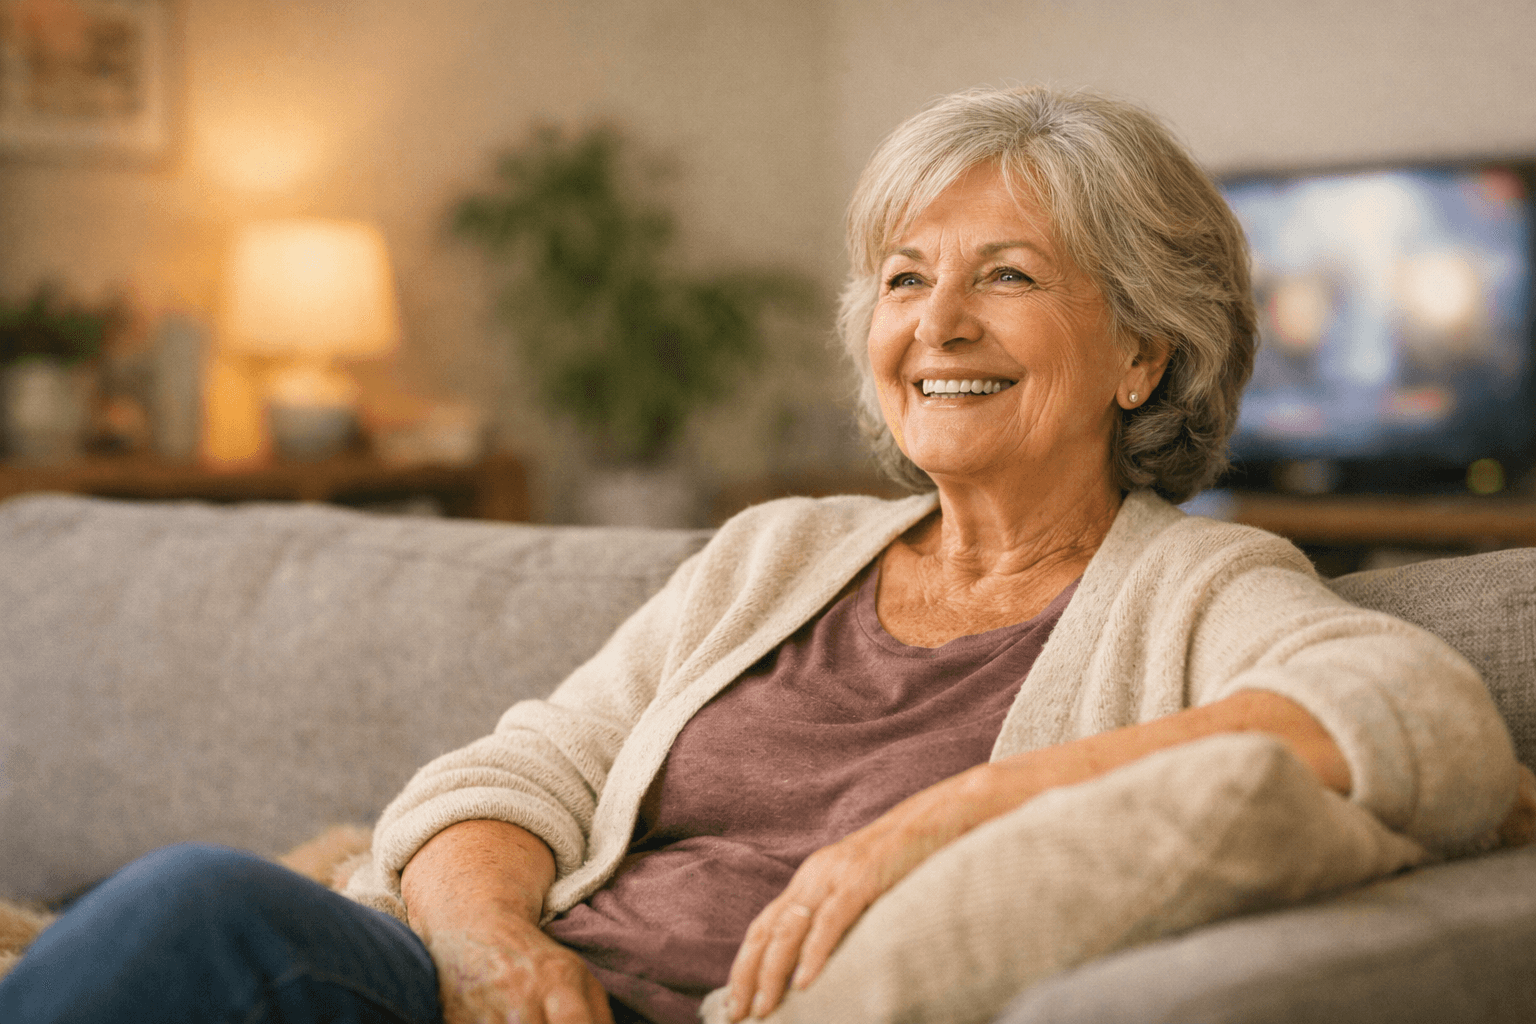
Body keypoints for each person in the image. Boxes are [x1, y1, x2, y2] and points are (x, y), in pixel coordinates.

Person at [0, 86, 1523, 1024]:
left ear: (1142, 353)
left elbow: (1432, 731)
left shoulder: (1194, 592)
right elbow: (513, 774)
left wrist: (939, 820)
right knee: (207, 910)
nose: (937, 323)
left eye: (1007, 277)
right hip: (453, 992)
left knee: (192, 910)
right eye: (905, 277)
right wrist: (481, 946)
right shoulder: (778, 553)